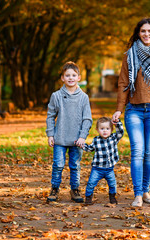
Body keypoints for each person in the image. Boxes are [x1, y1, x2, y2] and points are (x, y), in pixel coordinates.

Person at [111, 17, 150, 207]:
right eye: (143, 31)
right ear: (138, 34)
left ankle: (146, 191)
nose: (146, 34)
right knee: (137, 151)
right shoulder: (129, 55)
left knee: (149, 153)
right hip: (134, 111)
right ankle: (137, 194)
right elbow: (123, 83)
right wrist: (118, 109)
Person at [46, 61, 92, 203]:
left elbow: (87, 119)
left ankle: (75, 189)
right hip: (60, 138)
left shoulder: (84, 97)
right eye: (67, 75)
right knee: (58, 165)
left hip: (77, 140)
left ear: (78, 77)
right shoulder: (56, 96)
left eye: (73, 75)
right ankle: (54, 188)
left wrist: (83, 137)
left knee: (75, 165)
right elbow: (50, 116)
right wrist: (50, 134)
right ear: (62, 78)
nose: (70, 78)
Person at [82, 117, 124, 205]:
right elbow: (90, 148)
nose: (105, 131)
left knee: (112, 184)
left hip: (109, 169)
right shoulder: (96, 140)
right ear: (97, 130)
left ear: (111, 129)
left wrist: (117, 123)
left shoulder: (113, 138)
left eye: (107, 129)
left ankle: (112, 197)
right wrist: (81, 145)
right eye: (102, 129)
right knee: (91, 183)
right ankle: (88, 198)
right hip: (97, 169)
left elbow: (120, 133)